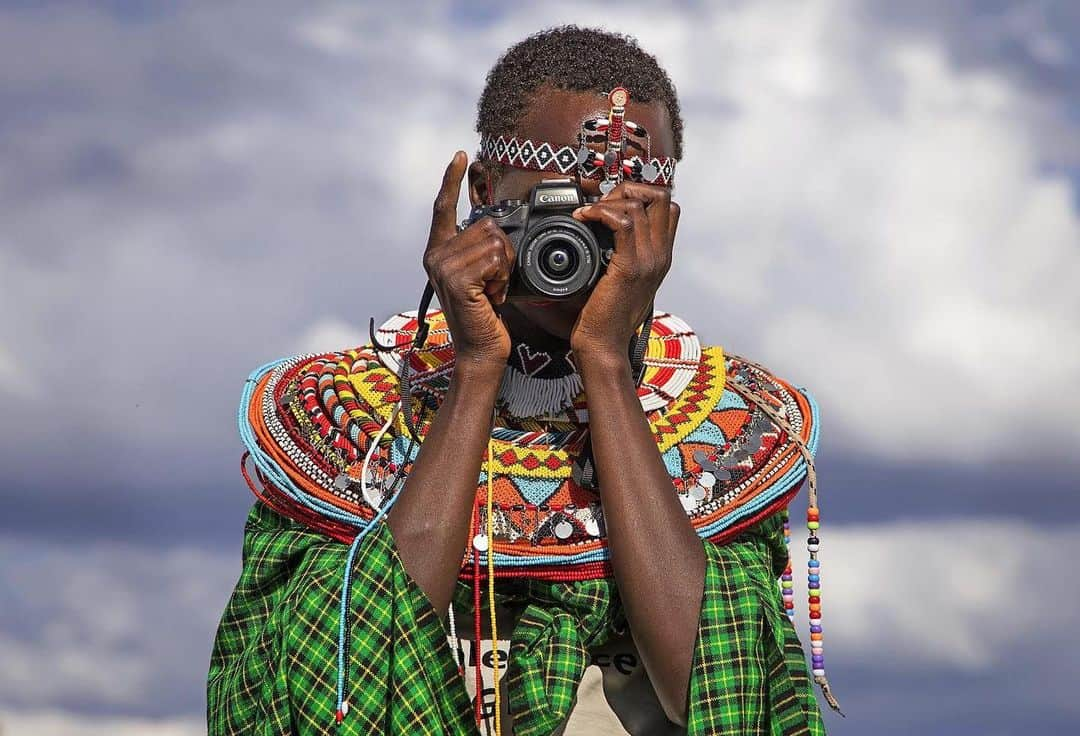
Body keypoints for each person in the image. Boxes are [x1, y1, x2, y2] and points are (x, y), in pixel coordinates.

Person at [207, 25, 842, 736]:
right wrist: (476, 367)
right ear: (483, 190)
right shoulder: (348, 427)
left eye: (621, 215)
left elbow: (725, 702)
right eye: (555, 207)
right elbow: (353, 684)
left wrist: (603, 361)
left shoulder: (726, 432)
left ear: (666, 224)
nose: (578, 241)